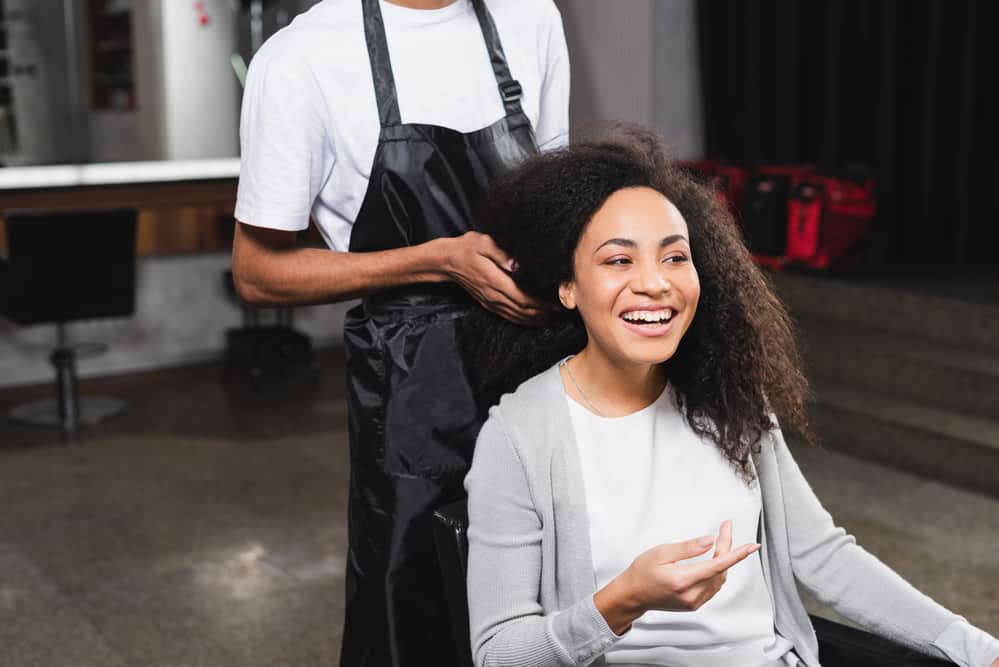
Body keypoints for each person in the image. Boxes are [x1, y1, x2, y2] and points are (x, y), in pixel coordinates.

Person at [461, 128, 999, 667]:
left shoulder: (726, 397)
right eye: (618, 261)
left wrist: (978, 649)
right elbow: (498, 653)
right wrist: (624, 601)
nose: (655, 283)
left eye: (675, 257)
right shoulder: (519, 435)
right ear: (567, 286)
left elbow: (823, 555)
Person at [231, 0, 569, 664]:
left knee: (552, 604)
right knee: (415, 612)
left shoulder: (531, 17)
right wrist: (436, 258)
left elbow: (560, 201)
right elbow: (256, 271)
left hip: (543, 368)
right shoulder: (303, 57)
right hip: (417, 391)